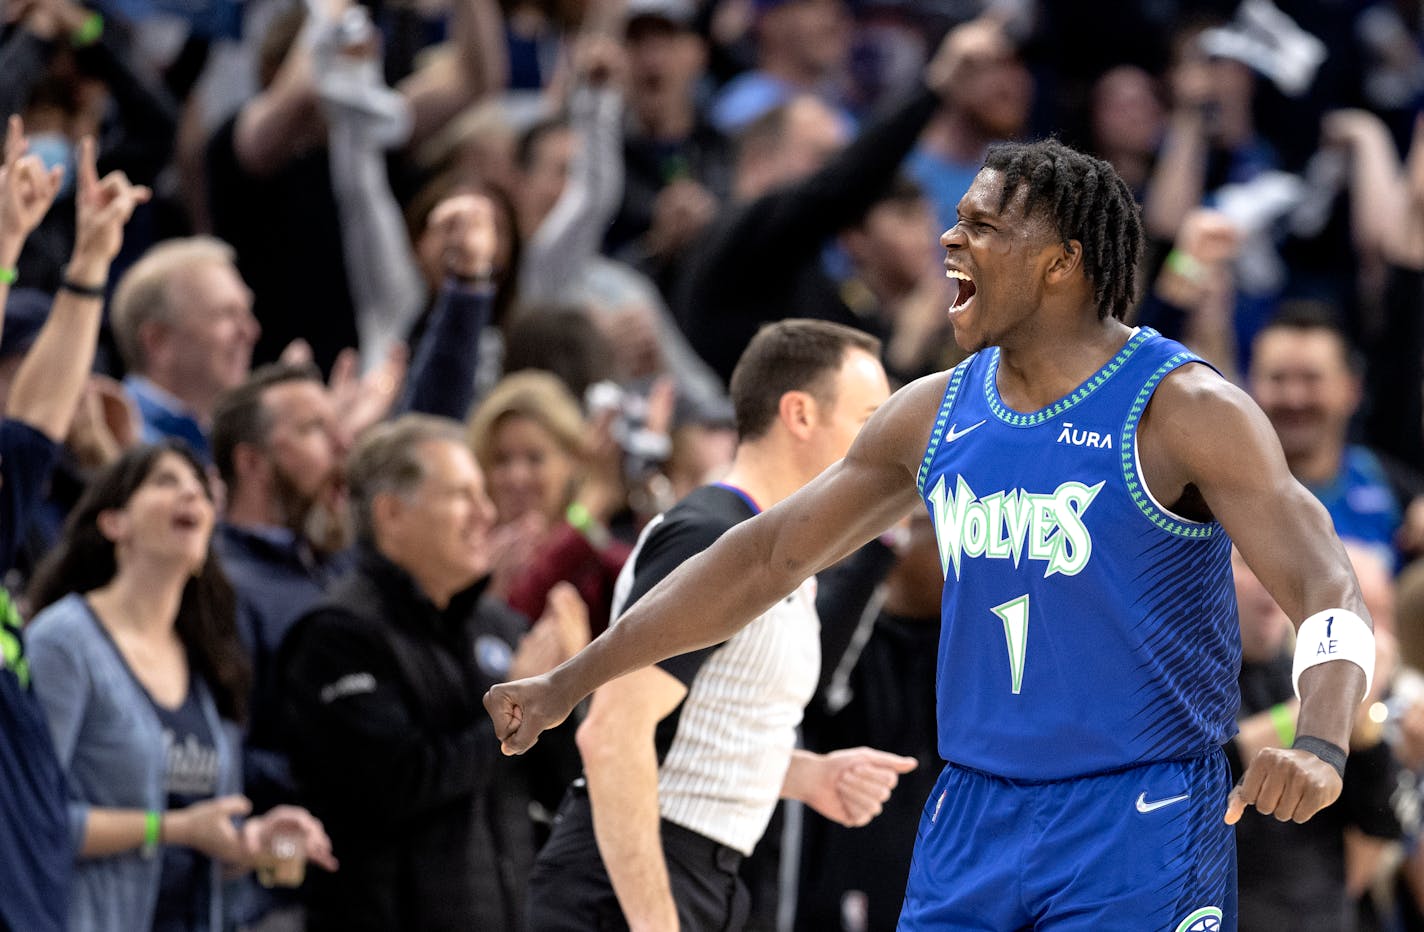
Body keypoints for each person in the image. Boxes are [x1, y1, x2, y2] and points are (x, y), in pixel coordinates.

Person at [488, 139, 1374, 930]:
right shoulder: (933, 413)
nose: (951, 240)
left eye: (984, 227)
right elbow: (762, 557)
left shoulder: (1183, 409)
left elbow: (1325, 582)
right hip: (970, 814)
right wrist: (575, 678)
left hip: (1136, 815)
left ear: (1064, 263)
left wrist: (1323, 742)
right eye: (956, 221)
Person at [524, 318, 915, 931]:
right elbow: (613, 735)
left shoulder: (775, 550)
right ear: (800, 415)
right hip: (632, 880)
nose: (884, 448)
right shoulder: (709, 536)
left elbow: (689, 731)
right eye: (869, 422)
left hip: (697, 874)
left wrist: (802, 775)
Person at [277, 414, 587, 931]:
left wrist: (568, 690)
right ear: (392, 514)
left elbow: (563, 785)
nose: (486, 514)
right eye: (463, 495)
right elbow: (394, 787)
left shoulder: (499, 626)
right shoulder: (337, 635)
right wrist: (515, 711)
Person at [25, 442, 335, 932]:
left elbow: (202, 844)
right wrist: (170, 829)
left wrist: (252, 841)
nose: (191, 493)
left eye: (200, 489)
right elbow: (27, 816)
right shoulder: (65, 643)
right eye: (166, 482)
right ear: (114, 523)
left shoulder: (206, 655)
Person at [108, 237, 261, 462]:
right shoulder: (113, 440)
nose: (250, 332)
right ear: (158, 342)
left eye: (246, 313)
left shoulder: (230, 439)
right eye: (227, 314)